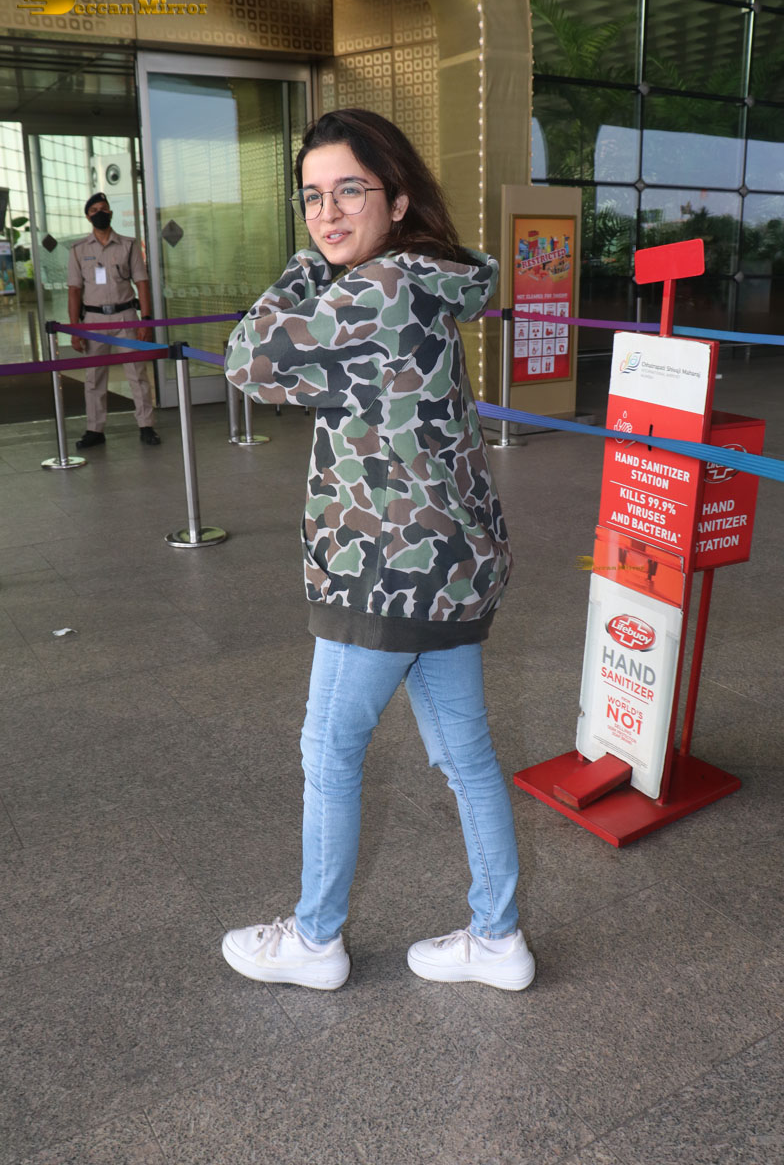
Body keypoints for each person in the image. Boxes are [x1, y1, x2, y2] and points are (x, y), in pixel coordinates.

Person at [222, 108, 535, 993]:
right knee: (465, 756)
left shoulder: (375, 288)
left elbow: (247, 360)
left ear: (397, 198)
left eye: (348, 191)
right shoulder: (426, 279)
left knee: (328, 749)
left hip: (384, 563)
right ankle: (498, 936)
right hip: (447, 559)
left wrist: (301, 270)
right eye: (311, 196)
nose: (326, 214)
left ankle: (316, 939)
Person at [67, 192, 160, 448]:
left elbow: (142, 283)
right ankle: (95, 430)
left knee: (137, 374)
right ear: (88, 217)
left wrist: (145, 320)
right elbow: (74, 290)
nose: (100, 213)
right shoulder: (78, 250)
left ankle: (146, 426)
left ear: (111, 212)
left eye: (104, 208)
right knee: (94, 377)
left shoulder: (128, 245)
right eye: (94, 210)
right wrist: (75, 329)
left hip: (125, 316)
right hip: (93, 320)